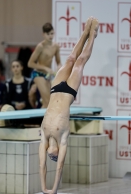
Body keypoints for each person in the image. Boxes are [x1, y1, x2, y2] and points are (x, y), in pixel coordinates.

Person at [39, 17, 99, 194]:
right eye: (54, 157)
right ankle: (92, 35)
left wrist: (44, 187)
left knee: (71, 58)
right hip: (69, 91)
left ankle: (85, 32)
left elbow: (42, 166)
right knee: (80, 61)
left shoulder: (43, 136)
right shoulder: (63, 138)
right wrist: (54, 189)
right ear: (59, 153)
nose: (52, 156)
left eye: (51, 156)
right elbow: (60, 167)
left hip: (55, 88)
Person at [28, 23, 62, 108]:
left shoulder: (56, 46)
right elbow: (30, 63)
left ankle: (40, 121)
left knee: (48, 102)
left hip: (48, 76)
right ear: (43, 34)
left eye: (52, 33)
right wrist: (45, 68)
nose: (50, 36)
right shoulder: (40, 46)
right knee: (47, 101)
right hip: (38, 74)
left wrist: (59, 67)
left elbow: (59, 62)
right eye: (48, 34)